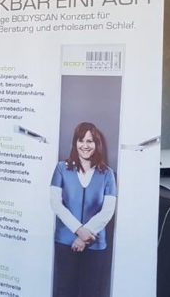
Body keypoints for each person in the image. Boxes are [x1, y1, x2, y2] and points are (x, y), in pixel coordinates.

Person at [50, 122, 117, 297]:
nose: (85, 146)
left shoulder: (107, 174)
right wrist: (79, 230)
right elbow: (56, 204)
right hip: (65, 242)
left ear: (96, 144)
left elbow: (108, 210)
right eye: (81, 140)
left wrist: (84, 236)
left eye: (90, 141)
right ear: (75, 143)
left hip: (95, 244)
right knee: (64, 291)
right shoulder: (61, 168)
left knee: (91, 292)